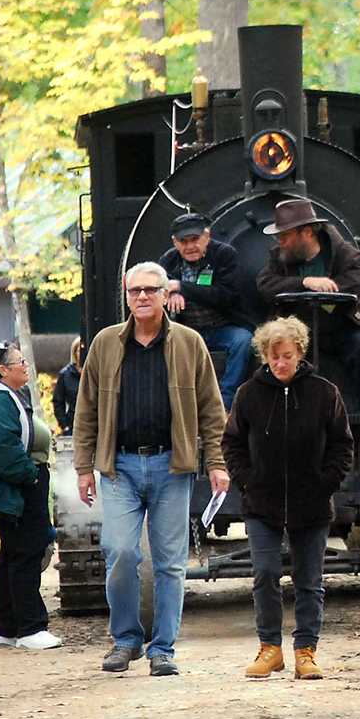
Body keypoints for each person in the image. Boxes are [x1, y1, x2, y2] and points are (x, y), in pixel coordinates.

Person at [74, 261, 229, 676]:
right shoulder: (106, 344)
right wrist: (84, 466)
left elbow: (212, 410)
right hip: (119, 466)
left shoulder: (189, 343)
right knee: (121, 551)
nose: (142, 297)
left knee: (170, 562)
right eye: (134, 291)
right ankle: (126, 640)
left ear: (165, 295)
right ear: (125, 296)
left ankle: (164, 648)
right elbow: (86, 408)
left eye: (150, 290)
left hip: (171, 465)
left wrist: (215, 462)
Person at [223, 317, 353, 680]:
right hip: (261, 503)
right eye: (273, 357)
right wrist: (246, 480)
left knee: (309, 580)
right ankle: (270, 649)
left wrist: (326, 483)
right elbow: (231, 442)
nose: (280, 363)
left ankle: (306, 651)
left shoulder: (325, 392)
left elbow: (343, 444)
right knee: (265, 574)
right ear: (264, 356)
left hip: (311, 503)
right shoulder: (249, 394)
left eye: (287, 356)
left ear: (300, 353)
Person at [0, 343, 62, 650]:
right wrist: (30, 475)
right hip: (17, 488)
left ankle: (6, 626)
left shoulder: (6, 397)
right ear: (2, 370)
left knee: (12, 553)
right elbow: (2, 449)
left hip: (19, 486)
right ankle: (30, 627)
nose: (26, 365)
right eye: (20, 362)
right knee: (25, 553)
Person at [257, 198, 360, 414]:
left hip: (339, 328)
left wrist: (326, 293)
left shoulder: (345, 254)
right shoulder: (277, 258)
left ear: (307, 233)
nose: (281, 241)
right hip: (297, 333)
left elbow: (353, 283)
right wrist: (305, 283)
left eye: (285, 236)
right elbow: (265, 284)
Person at [159, 213, 255, 410]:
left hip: (223, 327)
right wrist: (170, 294)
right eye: (183, 241)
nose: (189, 246)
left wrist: (181, 287)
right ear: (174, 242)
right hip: (187, 330)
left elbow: (226, 295)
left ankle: (225, 403)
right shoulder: (168, 261)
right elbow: (159, 289)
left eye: (194, 240)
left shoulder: (225, 255)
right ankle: (178, 403)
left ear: (207, 236)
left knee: (243, 340)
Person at [52, 337, 83, 434]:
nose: (81, 354)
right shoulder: (65, 375)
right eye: (79, 351)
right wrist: (64, 425)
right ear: (74, 353)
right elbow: (58, 401)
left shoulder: (95, 372)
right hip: (72, 425)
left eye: (84, 350)